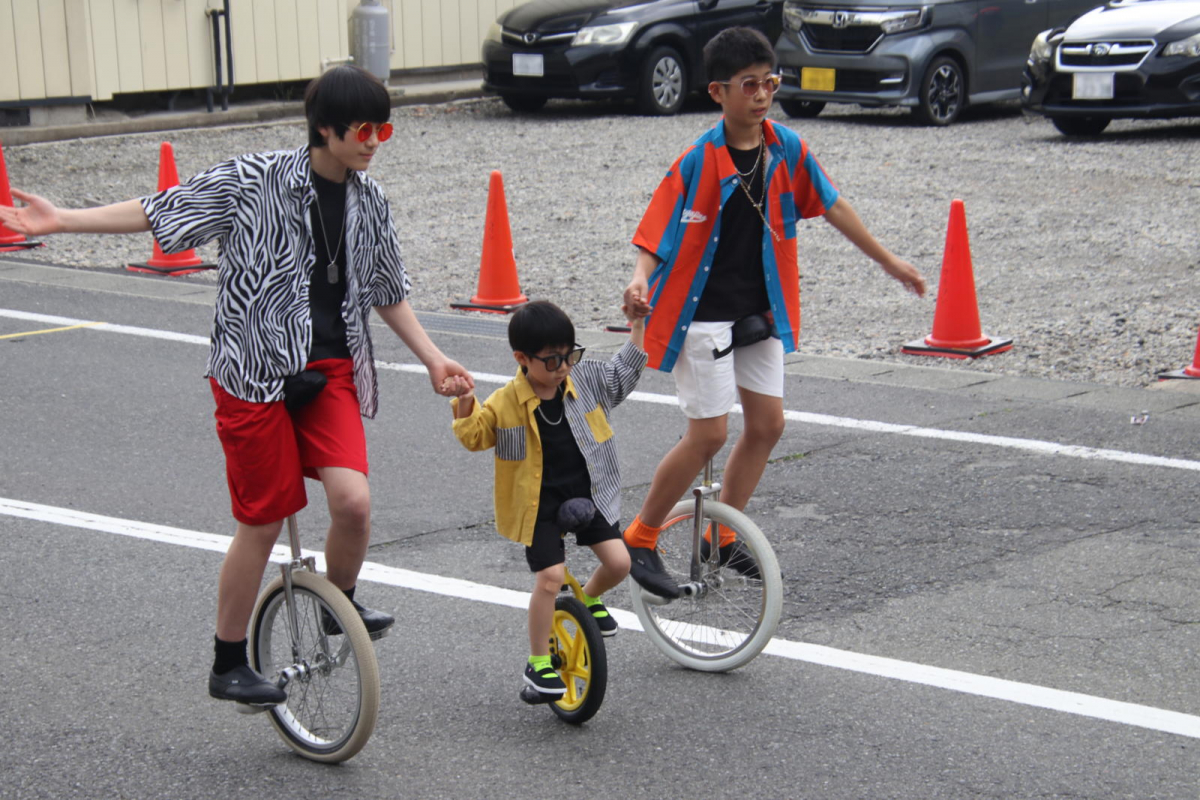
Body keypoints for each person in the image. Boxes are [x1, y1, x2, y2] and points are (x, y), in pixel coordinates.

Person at [0, 65, 474, 707]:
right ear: (325, 130)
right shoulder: (254, 179)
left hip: (329, 369)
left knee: (354, 504)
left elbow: (388, 292)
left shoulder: (371, 201)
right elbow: (157, 212)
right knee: (266, 518)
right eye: (364, 129)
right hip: (253, 373)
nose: (374, 141)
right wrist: (61, 222)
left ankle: (340, 604)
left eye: (382, 129)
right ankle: (228, 661)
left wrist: (433, 359)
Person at [621, 28, 926, 599]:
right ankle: (640, 534)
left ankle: (718, 534)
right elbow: (657, 226)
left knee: (768, 424)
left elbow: (833, 205)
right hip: (703, 313)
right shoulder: (698, 159)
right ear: (718, 92)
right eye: (749, 85)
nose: (763, 95)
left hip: (758, 311)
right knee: (709, 433)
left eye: (771, 82)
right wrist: (639, 278)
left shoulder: (787, 148)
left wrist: (889, 261)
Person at [444, 300, 645, 696]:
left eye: (570, 355)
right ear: (522, 358)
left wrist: (636, 324)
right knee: (550, 579)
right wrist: (466, 399)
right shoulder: (505, 402)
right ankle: (538, 663)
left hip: (590, 494)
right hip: (538, 507)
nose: (564, 367)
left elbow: (623, 374)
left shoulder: (584, 380)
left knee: (621, 563)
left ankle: (586, 598)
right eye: (552, 361)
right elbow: (474, 437)